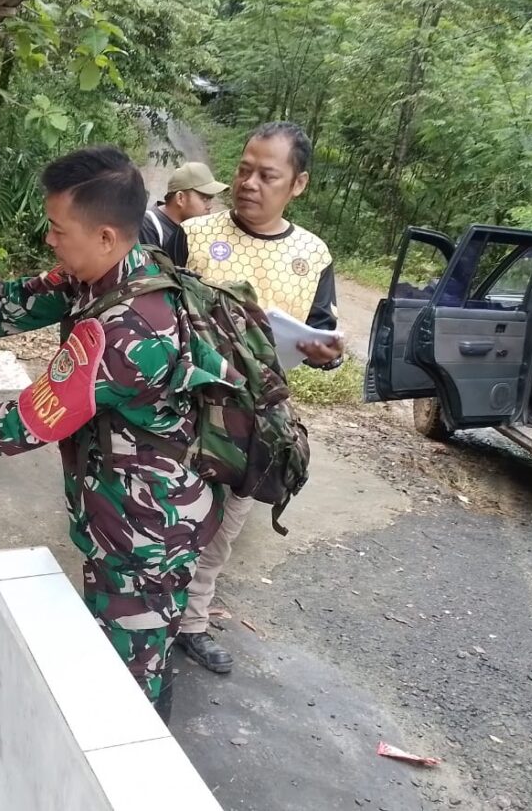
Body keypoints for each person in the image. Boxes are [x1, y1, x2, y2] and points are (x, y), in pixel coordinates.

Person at [0, 146, 231, 719]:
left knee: (133, 675)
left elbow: (35, 417)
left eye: (59, 230)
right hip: (117, 508)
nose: (50, 240)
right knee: (118, 641)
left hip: (147, 528)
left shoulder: (130, 328)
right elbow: (11, 301)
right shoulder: (106, 273)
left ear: (105, 235)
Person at [175, 121, 342, 675]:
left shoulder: (312, 255)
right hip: (180, 402)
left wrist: (326, 352)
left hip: (254, 419)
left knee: (222, 526)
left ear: (298, 184)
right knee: (157, 511)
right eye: (244, 169)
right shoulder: (194, 235)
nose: (249, 183)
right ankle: (136, 609)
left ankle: (191, 623)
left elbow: (323, 332)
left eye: (267, 175)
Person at [138, 162, 228, 267]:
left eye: (210, 199)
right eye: (204, 199)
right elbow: (151, 276)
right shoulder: (148, 226)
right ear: (180, 198)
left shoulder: (196, 228)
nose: (210, 206)